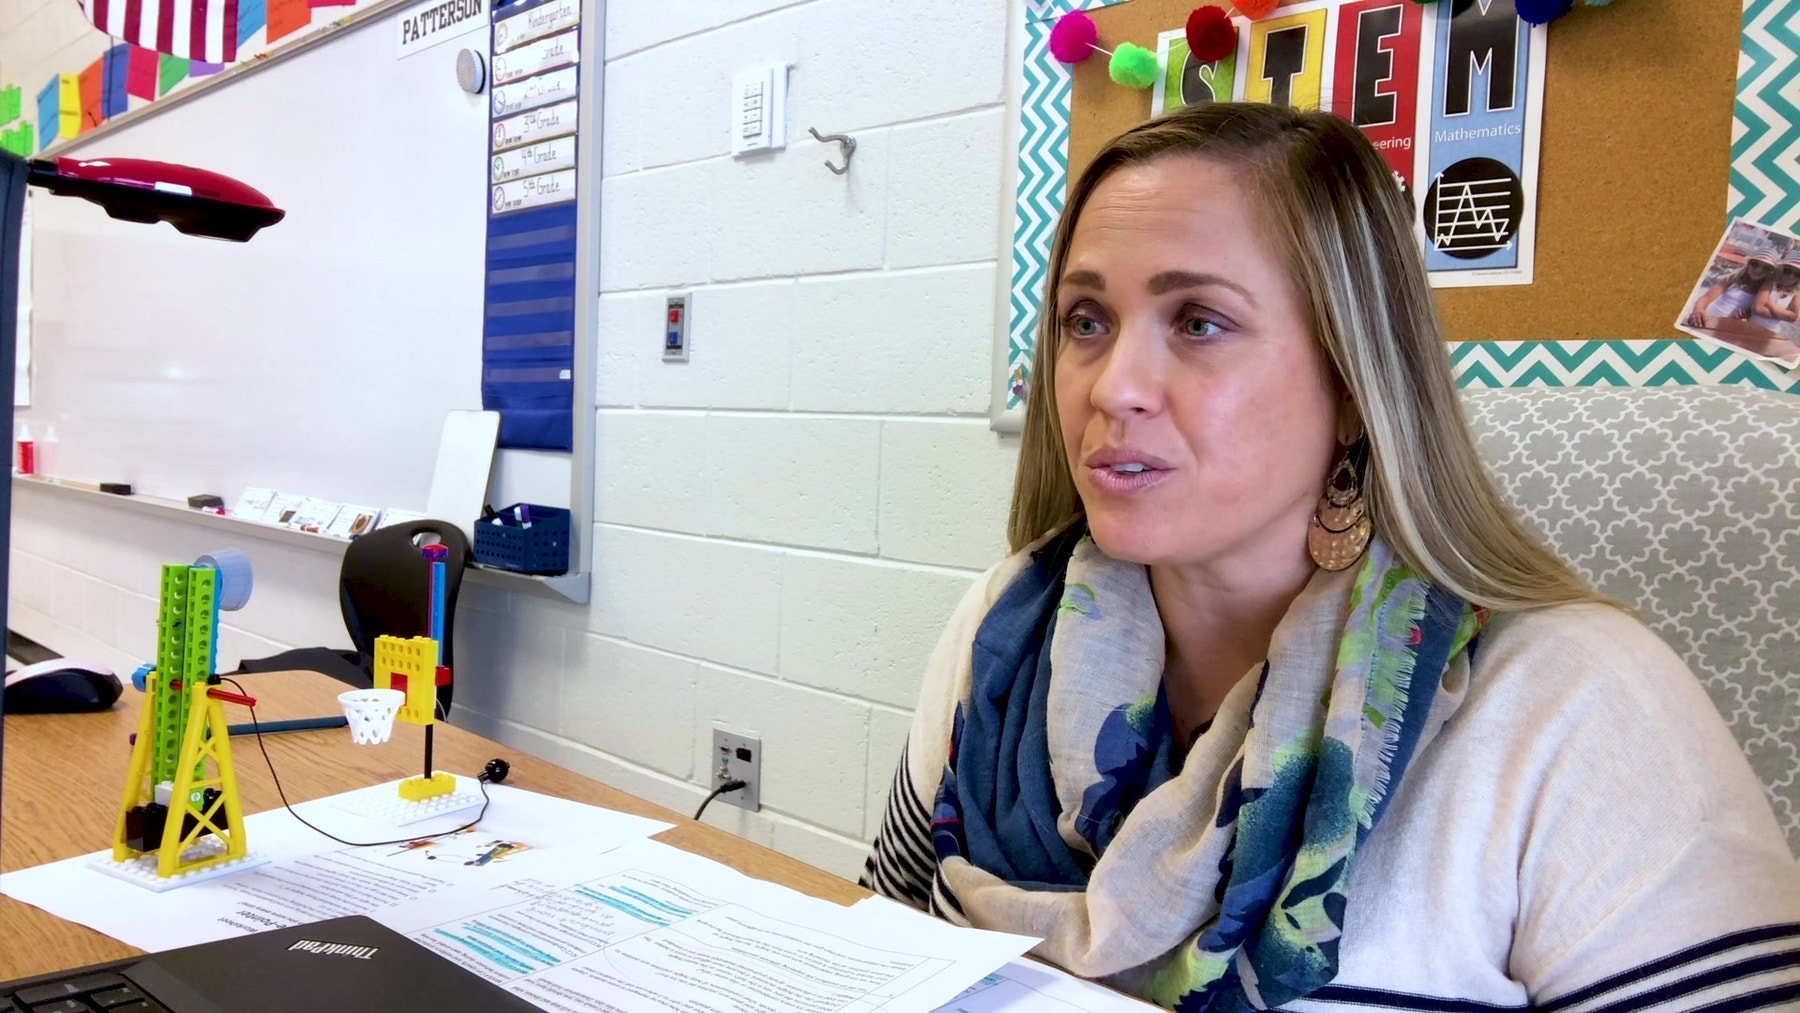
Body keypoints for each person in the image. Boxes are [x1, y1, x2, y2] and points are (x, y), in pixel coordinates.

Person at [862, 103, 1800, 1011]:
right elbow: (880, 937)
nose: (1115, 387)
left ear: (1354, 380)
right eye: (1086, 321)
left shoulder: (1579, 705)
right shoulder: (1009, 621)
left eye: (1197, 321)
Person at [1686, 244, 1776, 329]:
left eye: (1766, 268)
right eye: (1755, 264)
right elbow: (1707, 297)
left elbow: (1759, 310)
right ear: (1748, 264)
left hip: (1730, 326)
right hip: (1709, 318)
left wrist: (1749, 313)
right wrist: (1698, 309)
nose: (1759, 270)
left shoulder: (1764, 291)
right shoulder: (1734, 278)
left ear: (1771, 272)